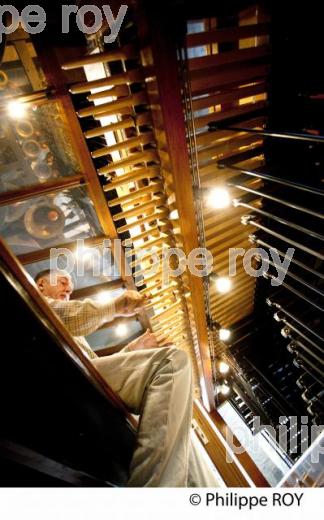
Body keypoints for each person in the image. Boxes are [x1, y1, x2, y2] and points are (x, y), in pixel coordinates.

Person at [35, 269, 220, 487]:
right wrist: (114, 306)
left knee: (184, 438)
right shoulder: (34, 301)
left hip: (87, 380)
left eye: (71, 286)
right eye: (63, 281)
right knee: (171, 362)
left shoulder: (72, 329)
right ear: (41, 285)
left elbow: (94, 368)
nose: (69, 288)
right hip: (65, 376)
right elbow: (65, 316)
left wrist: (133, 348)